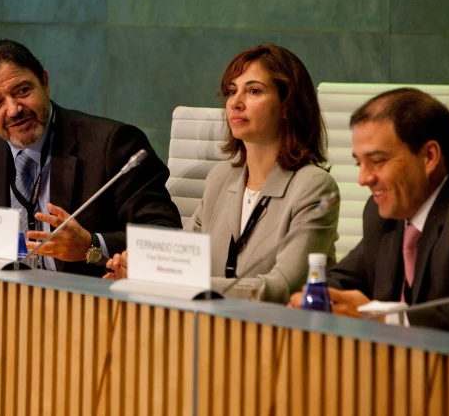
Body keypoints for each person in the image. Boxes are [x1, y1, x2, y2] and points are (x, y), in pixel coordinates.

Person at [104, 44, 340, 304]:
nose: (235, 103)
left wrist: (177, 282)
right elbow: (181, 260)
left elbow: (285, 287)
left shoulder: (313, 186)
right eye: (231, 91)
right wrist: (143, 269)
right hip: (211, 328)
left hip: (277, 335)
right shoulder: (220, 178)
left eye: (253, 91)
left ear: (287, 105)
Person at [0, 39, 182, 277]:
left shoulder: (111, 144)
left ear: (45, 83)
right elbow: (2, 246)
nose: (13, 110)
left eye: (23, 90)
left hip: (93, 302)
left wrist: (91, 245)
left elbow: (166, 236)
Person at [289, 88, 449, 335]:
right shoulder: (381, 213)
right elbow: (344, 278)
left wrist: (387, 319)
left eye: (377, 161)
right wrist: (320, 298)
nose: (363, 179)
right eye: (359, 163)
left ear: (429, 156)